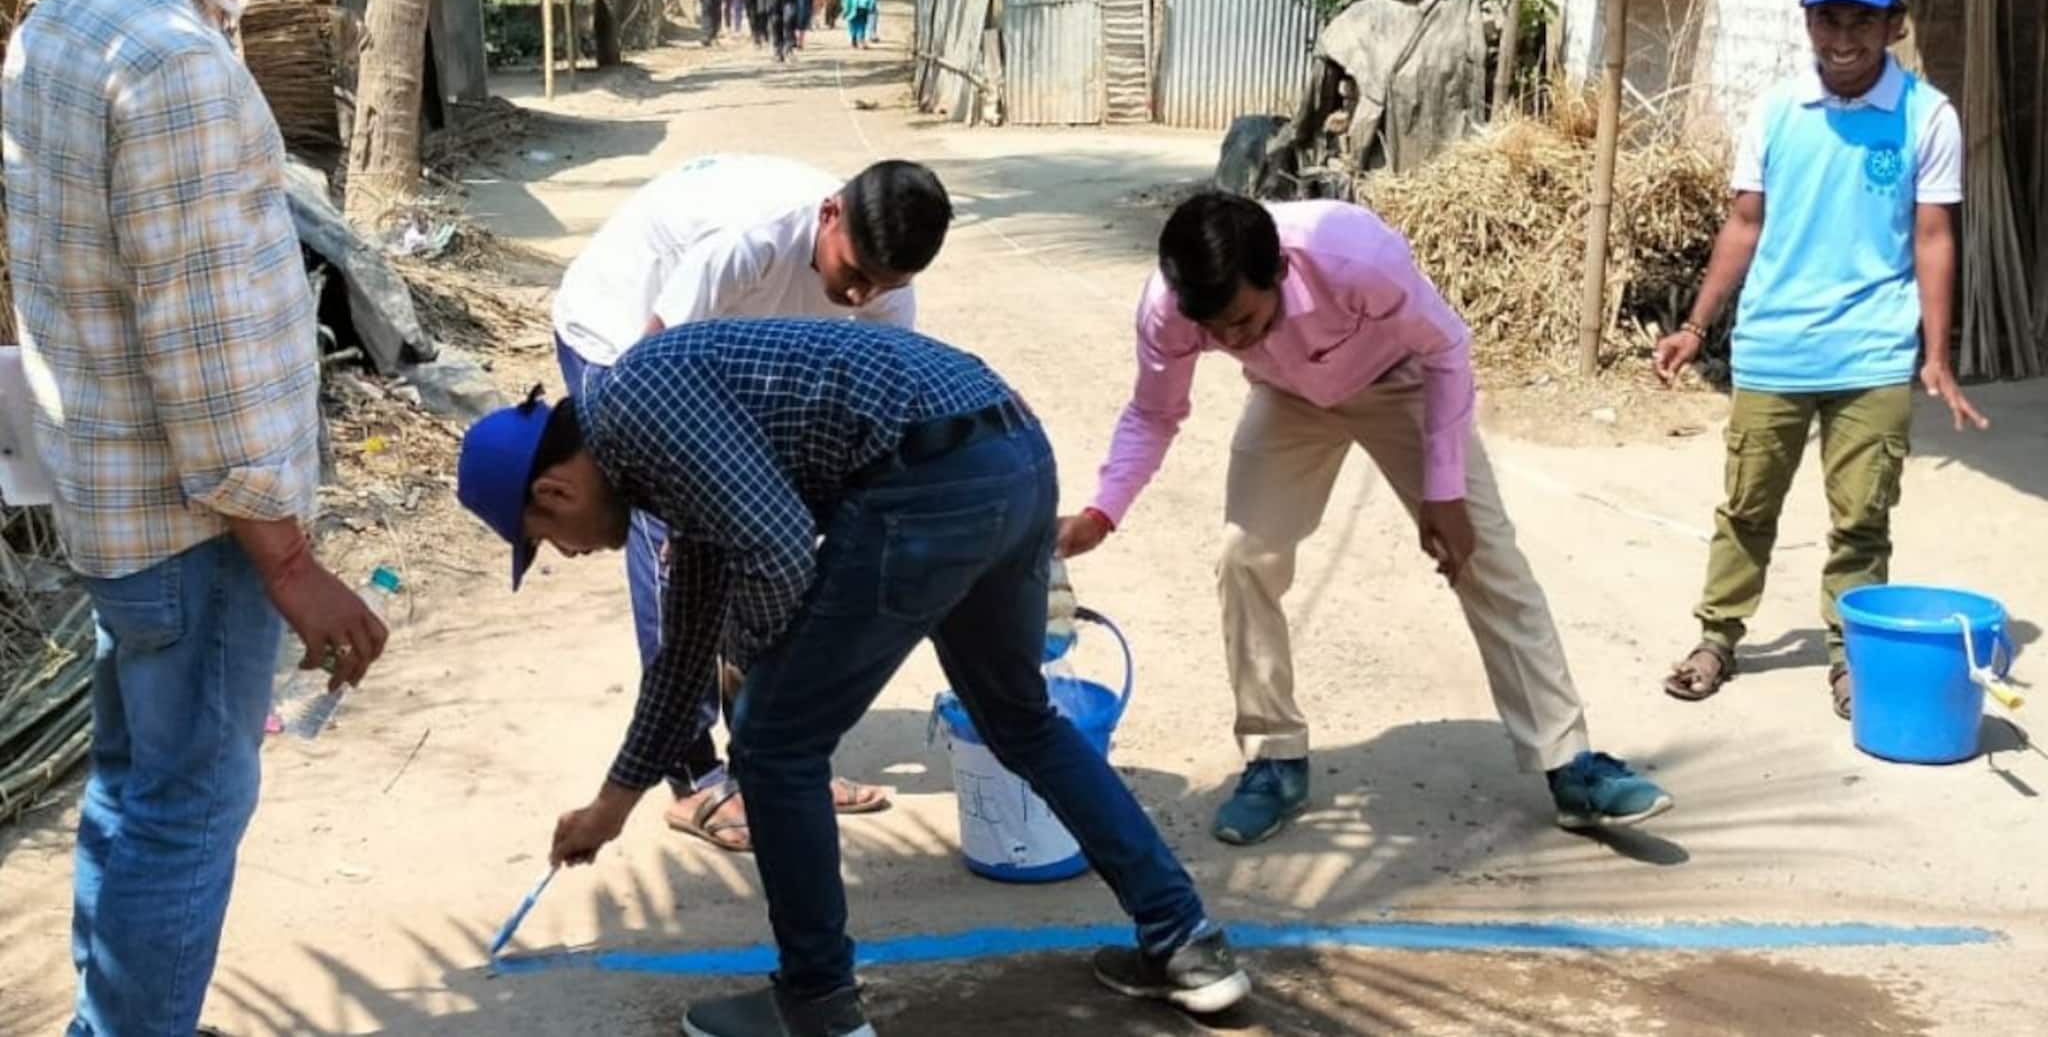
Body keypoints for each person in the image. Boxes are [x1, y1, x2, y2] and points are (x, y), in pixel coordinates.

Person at [456, 320, 1253, 1037]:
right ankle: (1186, 940)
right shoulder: (658, 446)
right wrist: (611, 806)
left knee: (772, 742)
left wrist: (752, 662)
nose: (567, 551)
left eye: (546, 536)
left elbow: (773, 550)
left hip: (923, 482)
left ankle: (818, 1006)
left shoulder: (636, 403)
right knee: (1020, 718)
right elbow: (684, 648)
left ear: (554, 489)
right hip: (1013, 458)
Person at [2, 0, 389, 1036]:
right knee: (183, 812)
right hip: (196, 531)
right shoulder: (173, 64)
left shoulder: (57, 25)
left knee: (133, 793)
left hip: (118, 515)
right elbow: (205, 347)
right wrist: (289, 565)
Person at [1060, 192, 1673, 847]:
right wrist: (1103, 511)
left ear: (1279, 274)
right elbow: (1155, 412)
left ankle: (1571, 765)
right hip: (1290, 396)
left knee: (1485, 557)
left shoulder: (1352, 255)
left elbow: (1446, 350)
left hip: (1404, 380)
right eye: (1216, 332)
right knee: (1243, 558)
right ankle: (1274, 759)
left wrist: (1443, 489)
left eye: (1243, 320)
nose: (1231, 340)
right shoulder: (1172, 306)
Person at [550, 155, 949, 852]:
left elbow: (863, 420)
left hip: (725, 360)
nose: (859, 298)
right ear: (829, 214)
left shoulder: (884, 290)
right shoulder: (751, 241)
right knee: (667, 544)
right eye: (852, 273)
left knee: (764, 540)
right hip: (622, 331)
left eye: (880, 286)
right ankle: (692, 771)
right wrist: (684, 513)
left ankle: (770, 754)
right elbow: (652, 383)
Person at [1658, 0, 1984, 718]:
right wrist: (1697, 325)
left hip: (1873, 349)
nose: (1843, 40)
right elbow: (1744, 223)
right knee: (1746, 507)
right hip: (1774, 347)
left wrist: (1935, 354)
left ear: (1895, 24)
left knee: (1863, 517)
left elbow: (1934, 235)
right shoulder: (1776, 108)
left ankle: (1850, 656)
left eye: (1861, 22)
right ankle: (1717, 637)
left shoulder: (1926, 115)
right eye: (1828, 20)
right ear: (1807, 21)